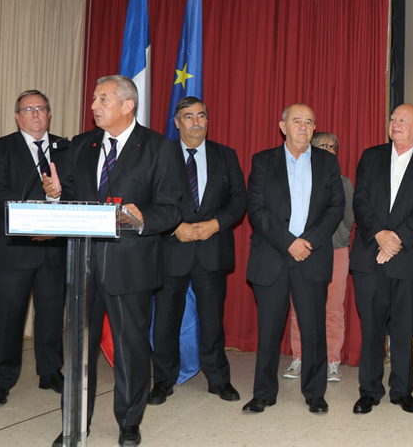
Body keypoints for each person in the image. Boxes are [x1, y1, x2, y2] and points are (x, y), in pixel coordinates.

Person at [55, 75, 184, 447]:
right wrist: (55, 196)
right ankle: (75, 421)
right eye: (94, 99)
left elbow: (172, 207)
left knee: (131, 346)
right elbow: (72, 199)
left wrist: (140, 217)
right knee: (79, 347)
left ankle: (129, 421)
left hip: (131, 263)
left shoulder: (159, 147)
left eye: (103, 99)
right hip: (82, 263)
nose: (94, 106)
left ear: (128, 105)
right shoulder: (82, 145)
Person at [243, 104, 344, 415]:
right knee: (269, 329)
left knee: (313, 329)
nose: (304, 126)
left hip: (312, 257)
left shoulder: (328, 162)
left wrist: (307, 242)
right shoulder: (262, 161)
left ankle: (315, 393)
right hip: (272, 255)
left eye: (309, 122)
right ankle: (263, 393)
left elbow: (335, 208)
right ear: (282, 126)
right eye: (297, 121)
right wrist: (290, 243)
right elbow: (257, 209)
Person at [149, 97, 246, 406]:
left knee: (212, 320)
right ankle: (164, 380)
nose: (196, 122)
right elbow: (150, 200)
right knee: (165, 321)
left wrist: (214, 225)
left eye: (201, 115)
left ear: (207, 120)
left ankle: (218, 379)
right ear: (177, 123)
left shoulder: (226, 155)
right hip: (171, 250)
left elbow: (239, 200)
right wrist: (174, 226)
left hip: (212, 250)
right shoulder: (160, 154)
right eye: (188, 116)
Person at [349, 103, 413, 415]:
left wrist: (397, 239)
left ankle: (402, 391)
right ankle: (369, 391)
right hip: (369, 256)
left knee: (403, 328)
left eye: (403, 119)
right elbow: (360, 200)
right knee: (372, 328)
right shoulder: (370, 156)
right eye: (393, 118)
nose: (396, 123)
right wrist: (379, 235)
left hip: (409, 259)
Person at [0, 90, 66, 407]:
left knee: (51, 315)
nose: (35, 114)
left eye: (41, 108)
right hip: (14, 249)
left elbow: (72, 189)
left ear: (49, 114)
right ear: (17, 116)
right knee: (8, 318)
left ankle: (50, 373)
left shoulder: (65, 148)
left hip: (54, 250)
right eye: (28, 109)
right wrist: (36, 223)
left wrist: (55, 200)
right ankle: (0, 380)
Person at [284, 132, 354, 382]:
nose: (331, 149)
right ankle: (299, 357)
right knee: (298, 308)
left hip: (335, 251)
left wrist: (340, 238)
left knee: (334, 308)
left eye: (334, 146)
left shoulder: (344, 182)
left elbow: (348, 218)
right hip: (304, 252)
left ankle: (332, 360)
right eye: (325, 145)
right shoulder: (298, 178)